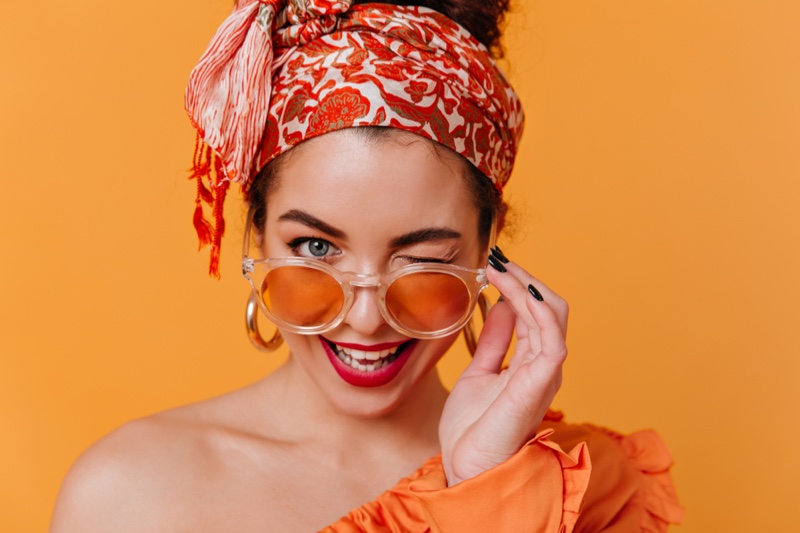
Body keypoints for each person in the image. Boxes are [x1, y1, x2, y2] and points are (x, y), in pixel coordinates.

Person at [51, 1, 684, 531]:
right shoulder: (130, 496)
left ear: (488, 251)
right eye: (316, 248)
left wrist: (485, 489)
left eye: (422, 259)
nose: (365, 319)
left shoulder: (590, 493)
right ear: (258, 233)